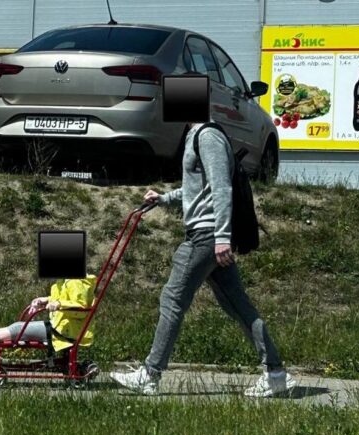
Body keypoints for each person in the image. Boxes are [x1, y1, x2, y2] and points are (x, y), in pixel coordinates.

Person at [109, 123, 296, 398]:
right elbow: (198, 191)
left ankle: (150, 374)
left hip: (206, 237)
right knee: (238, 306)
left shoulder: (207, 137)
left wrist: (222, 237)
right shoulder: (195, 136)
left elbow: (221, 189)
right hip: (209, 235)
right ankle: (276, 374)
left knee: (172, 299)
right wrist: (163, 199)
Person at [0, 275, 97, 353]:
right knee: (17, 327)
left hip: (65, 332)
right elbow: (66, 299)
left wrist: (59, 304)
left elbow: (81, 308)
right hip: (60, 327)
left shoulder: (76, 281)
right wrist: (46, 299)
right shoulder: (67, 280)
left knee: (18, 329)